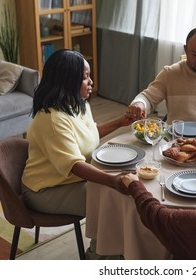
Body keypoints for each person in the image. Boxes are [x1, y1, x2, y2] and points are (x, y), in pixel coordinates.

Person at [21, 49, 133, 258]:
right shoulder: (52, 120)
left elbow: (87, 135)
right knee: (112, 198)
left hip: (69, 180)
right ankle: (99, 254)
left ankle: (109, 249)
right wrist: (112, 180)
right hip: (45, 190)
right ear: (68, 81)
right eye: (85, 77)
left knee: (116, 192)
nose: (90, 82)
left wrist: (120, 122)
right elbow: (75, 165)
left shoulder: (77, 105)